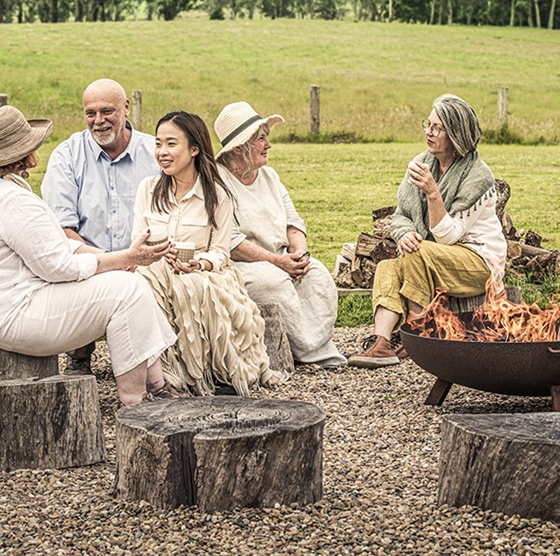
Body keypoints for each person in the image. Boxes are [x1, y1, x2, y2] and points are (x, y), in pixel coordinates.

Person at [0, 104, 181, 406]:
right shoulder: (11, 201)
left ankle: (156, 384)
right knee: (127, 292)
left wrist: (117, 260)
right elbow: (58, 267)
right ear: (25, 153)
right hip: (7, 315)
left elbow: (55, 245)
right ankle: (135, 400)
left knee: (129, 285)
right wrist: (127, 259)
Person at [132, 110, 287, 396]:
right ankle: (163, 377)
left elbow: (220, 250)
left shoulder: (217, 195)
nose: (162, 152)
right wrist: (155, 257)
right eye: (158, 144)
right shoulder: (148, 189)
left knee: (196, 289)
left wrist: (201, 263)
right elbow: (137, 243)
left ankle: (208, 373)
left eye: (171, 144)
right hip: (155, 269)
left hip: (203, 270)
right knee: (145, 286)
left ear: (194, 149)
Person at [348, 93, 507, 368]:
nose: (428, 133)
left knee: (416, 252)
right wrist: (405, 233)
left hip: (478, 261)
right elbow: (400, 216)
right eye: (428, 124)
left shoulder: (478, 176)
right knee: (388, 266)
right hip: (433, 258)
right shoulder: (422, 163)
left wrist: (434, 194)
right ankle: (382, 342)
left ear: (455, 135)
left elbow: (449, 236)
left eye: (437, 128)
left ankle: (418, 334)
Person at [213, 101, 346, 368]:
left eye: (266, 137)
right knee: (273, 282)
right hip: (243, 265)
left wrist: (299, 253)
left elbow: (292, 221)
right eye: (260, 139)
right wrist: (278, 262)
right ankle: (302, 351)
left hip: (282, 257)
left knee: (316, 273)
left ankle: (316, 345)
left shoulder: (269, 176)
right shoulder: (218, 182)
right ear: (238, 147)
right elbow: (232, 242)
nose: (268, 145)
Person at [40, 79, 160, 370]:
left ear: (126, 109)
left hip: (148, 260)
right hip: (90, 262)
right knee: (72, 268)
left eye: (107, 111)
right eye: (90, 113)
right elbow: (63, 230)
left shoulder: (155, 152)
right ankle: (79, 357)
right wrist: (110, 261)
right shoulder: (67, 155)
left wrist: (139, 257)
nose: (98, 121)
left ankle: (163, 362)